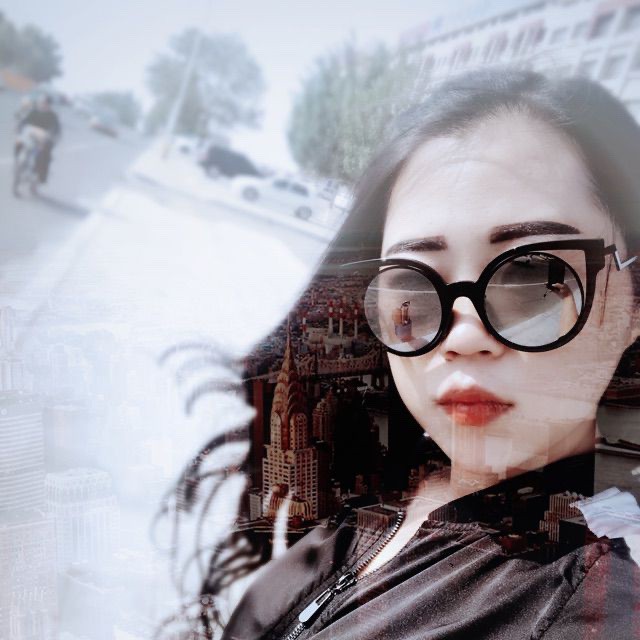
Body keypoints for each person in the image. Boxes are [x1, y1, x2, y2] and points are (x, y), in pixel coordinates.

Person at [171, 68, 640, 639]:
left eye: (533, 276)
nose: (462, 336)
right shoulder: (371, 493)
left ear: (634, 301)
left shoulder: (592, 602)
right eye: (414, 286)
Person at [15, 94, 61, 184]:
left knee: (45, 155)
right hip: (30, 135)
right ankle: (17, 163)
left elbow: (56, 129)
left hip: (43, 138)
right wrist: (18, 127)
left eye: (45, 103)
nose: (42, 104)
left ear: (49, 104)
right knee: (18, 143)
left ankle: (40, 176)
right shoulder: (34, 111)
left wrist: (51, 136)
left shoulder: (52, 115)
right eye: (41, 102)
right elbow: (24, 121)